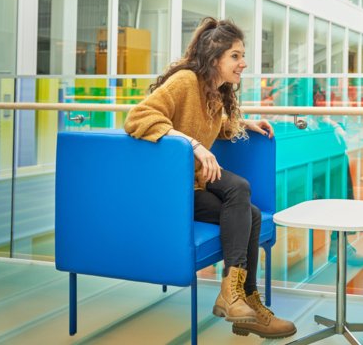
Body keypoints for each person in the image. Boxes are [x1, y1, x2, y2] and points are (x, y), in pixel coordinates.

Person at [124, 17, 296, 339]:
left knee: (252, 214)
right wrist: (194, 146)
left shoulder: (216, 94)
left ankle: (245, 302)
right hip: (169, 191)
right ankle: (234, 297)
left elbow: (215, 127)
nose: (243, 63)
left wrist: (247, 125)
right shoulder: (186, 81)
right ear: (214, 57)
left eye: (242, 56)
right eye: (235, 55)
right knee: (239, 188)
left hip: (191, 187)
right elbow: (138, 117)